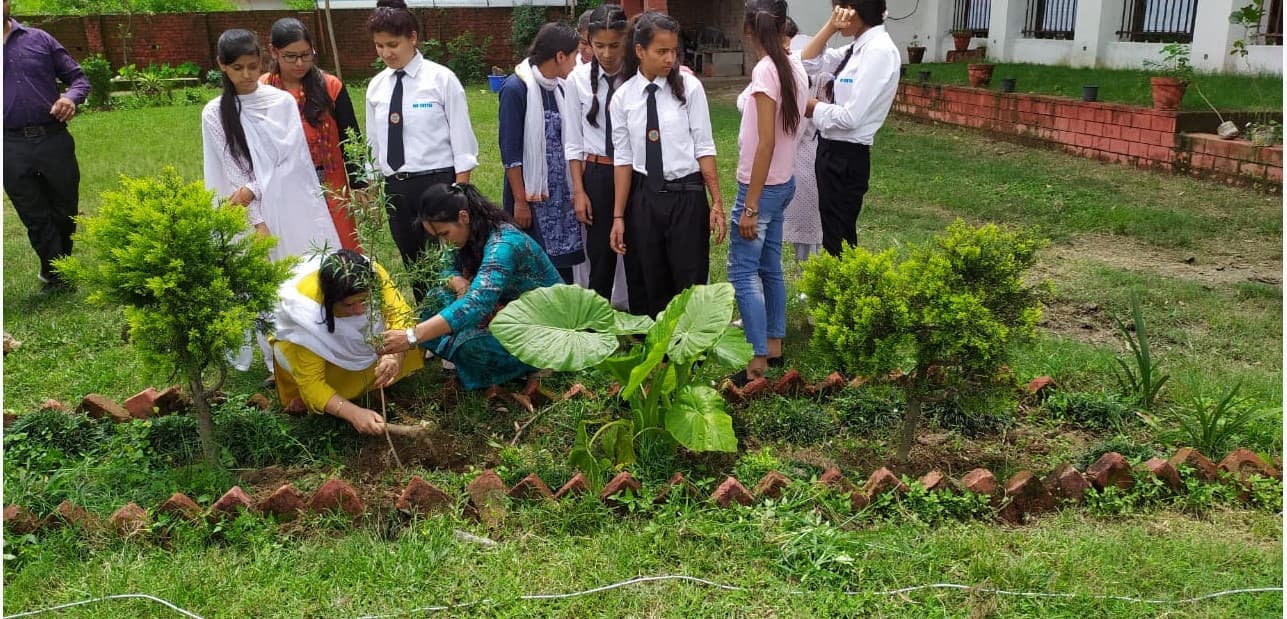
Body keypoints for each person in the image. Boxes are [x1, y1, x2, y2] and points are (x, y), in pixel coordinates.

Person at [378, 183, 561, 391]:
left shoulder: (504, 244)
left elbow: (477, 302)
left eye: (444, 234)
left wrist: (412, 336)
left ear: (463, 217)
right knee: (435, 300)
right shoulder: (467, 235)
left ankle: (538, 362)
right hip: (506, 312)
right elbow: (445, 269)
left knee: (469, 345)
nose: (444, 243)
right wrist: (458, 282)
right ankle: (481, 362)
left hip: (545, 326)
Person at [609, 12, 726, 317]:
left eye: (674, 51)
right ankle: (656, 341)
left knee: (690, 277)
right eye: (661, 51)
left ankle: (690, 341)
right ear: (639, 51)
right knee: (650, 276)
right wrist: (618, 216)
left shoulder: (689, 88)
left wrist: (716, 202)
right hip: (644, 198)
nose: (670, 59)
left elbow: (704, 146)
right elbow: (622, 159)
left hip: (686, 196)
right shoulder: (623, 98)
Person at [366, 0, 479, 302]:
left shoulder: (440, 79)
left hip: (436, 182)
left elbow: (462, 139)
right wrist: (373, 188)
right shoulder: (376, 86)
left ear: (412, 38)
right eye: (379, 46)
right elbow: (374, 142)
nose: (386, 53)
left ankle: (459, 318)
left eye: (393, 44)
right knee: (415, 265)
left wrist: (460, 190)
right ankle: (426, 318)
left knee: (450, 260)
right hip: (396, 187)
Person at [201, 28, 340, 262]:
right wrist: (258, 222)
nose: (247, 75)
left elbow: (292, 160)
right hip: (244, 209)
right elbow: (234, 170)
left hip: (288, 199)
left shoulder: (282, 102)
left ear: (261, 62)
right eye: (238, 68)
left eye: (253, 66)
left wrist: (253, 188)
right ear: (222, 65)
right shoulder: (214, 113)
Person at [727, 0, 807, 383]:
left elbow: (766, 142)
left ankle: (756, 360)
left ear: (748, 29)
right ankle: (773, 343)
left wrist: (751, 205)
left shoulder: (765, 70)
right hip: (784, 182)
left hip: (761, 187)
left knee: (743, 271)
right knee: (770, 266)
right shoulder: (792, 65)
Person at [272, 249, 424, 435]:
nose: (359, 311)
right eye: (349, 305)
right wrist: (353, 413)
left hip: (364, 340)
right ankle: (341, 398)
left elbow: (401, 318)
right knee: (318, 385)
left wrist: (394, 356)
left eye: (364, 300)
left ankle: (370, 387)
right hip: (299, 351)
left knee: (401, 339)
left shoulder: (373, 276)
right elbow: (312, 382)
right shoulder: (306, 314)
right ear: (329, 301)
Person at [3, 0, 90, 293]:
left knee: (65, 209)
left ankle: (56, 267)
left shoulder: (39, 39)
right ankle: (56, 274)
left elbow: (78, 79)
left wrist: (70, 98)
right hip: (8, 144)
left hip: (52, 137)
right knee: (34, 214)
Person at [800, 0, 900, 255]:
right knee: (831, 233)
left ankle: (842, 281)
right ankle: (835, 280)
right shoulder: (856, 47)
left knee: (839, 239)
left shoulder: (879, 51)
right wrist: (830, 27)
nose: (835, 14)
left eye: (838, 8)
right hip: (829, 149)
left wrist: (812, 107)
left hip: (846, 156)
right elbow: (806, 63)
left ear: (855, 9)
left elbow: (851, 117)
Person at [261, 17, 365, 251]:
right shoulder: (262, 90)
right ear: (274, 51)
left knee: (344, 249)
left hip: (331, 183)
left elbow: (351, 139)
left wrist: (359, 183)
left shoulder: (331, 86)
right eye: (290, 56)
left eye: (306, 55)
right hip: (285, 186)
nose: (300, 63)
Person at [564, 4, 638, 311]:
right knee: (600, 254)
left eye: (614, 45)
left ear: (627, 40)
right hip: (597, 174)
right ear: (588, 42)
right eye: (599, 46)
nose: (607, 54)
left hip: (637, 173)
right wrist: (579, 191)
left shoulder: (638, 76)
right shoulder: (577, 80)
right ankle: (599, 322)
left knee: (638, 249)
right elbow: (572, 142)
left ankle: (640, 318)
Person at [498, 22, 584, 284]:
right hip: (531, 197)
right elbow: (510, 151)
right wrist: (520, 201)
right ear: (560, 56)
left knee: (563, 267)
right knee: (534, 267)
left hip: (560, 195)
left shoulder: (560, 88)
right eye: (575, 55)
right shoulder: (516, 88)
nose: (577, 62)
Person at [781, 17, 824, 264]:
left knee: (807, 225)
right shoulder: (796, 61)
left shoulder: (804, 65)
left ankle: (810, 271)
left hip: (804, 156)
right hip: (798, 154)